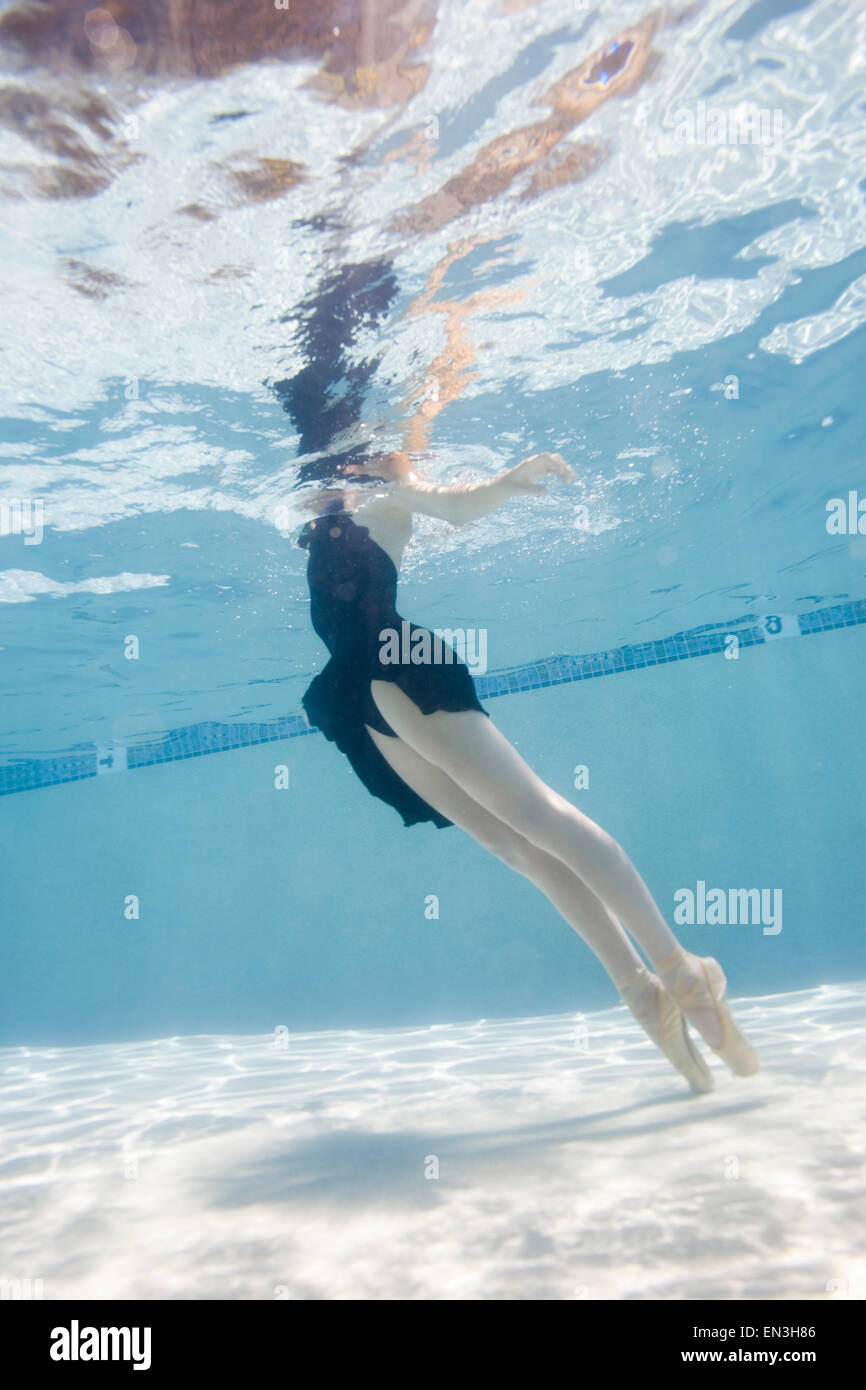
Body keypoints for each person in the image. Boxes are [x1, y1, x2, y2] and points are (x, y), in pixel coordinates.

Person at [297, 450, 760, 1094]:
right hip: (352, 693)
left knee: (536, 816)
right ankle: (641, 993)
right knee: (512, 845)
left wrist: (506, 484)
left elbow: (452, 507)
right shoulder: (318, 500)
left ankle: (681, 970)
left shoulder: (388, 487)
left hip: (395, 662)